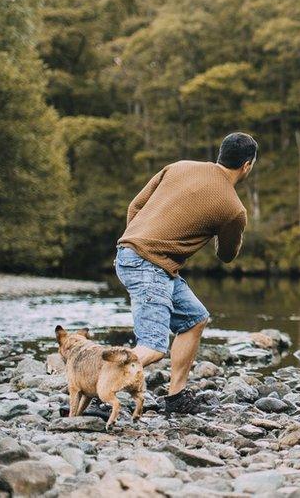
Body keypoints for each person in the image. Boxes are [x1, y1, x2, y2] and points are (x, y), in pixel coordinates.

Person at [115, 132, 256, 415]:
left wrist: (136, 242)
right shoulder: (233, 208)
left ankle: (176, 397)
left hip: (136, 254)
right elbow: (226, 256)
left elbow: (135, 206)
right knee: (153, 347)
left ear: (220, 153)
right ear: (247, 165)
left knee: (195, 319)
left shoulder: (178, 166)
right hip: (150, 264)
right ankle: (99, 385)